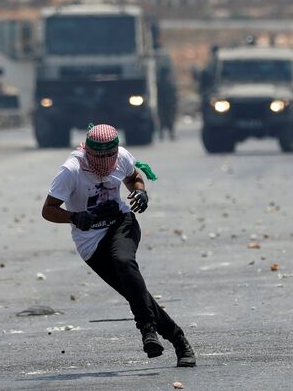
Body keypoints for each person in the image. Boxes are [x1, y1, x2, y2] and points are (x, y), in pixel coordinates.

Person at [41, 124, 196, 367]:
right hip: (90, 240)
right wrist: (74, 216)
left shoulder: (122, 157)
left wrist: (141, 192)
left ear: (115, 152)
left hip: (121, 223)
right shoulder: (71, 170)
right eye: (97, 156)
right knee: (135, 293)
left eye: (108, 156)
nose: (103, 161)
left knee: (124, 262)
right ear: (87, 152)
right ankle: (179, 340)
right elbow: (48, 210)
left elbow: (134, 177)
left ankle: (148, 332)